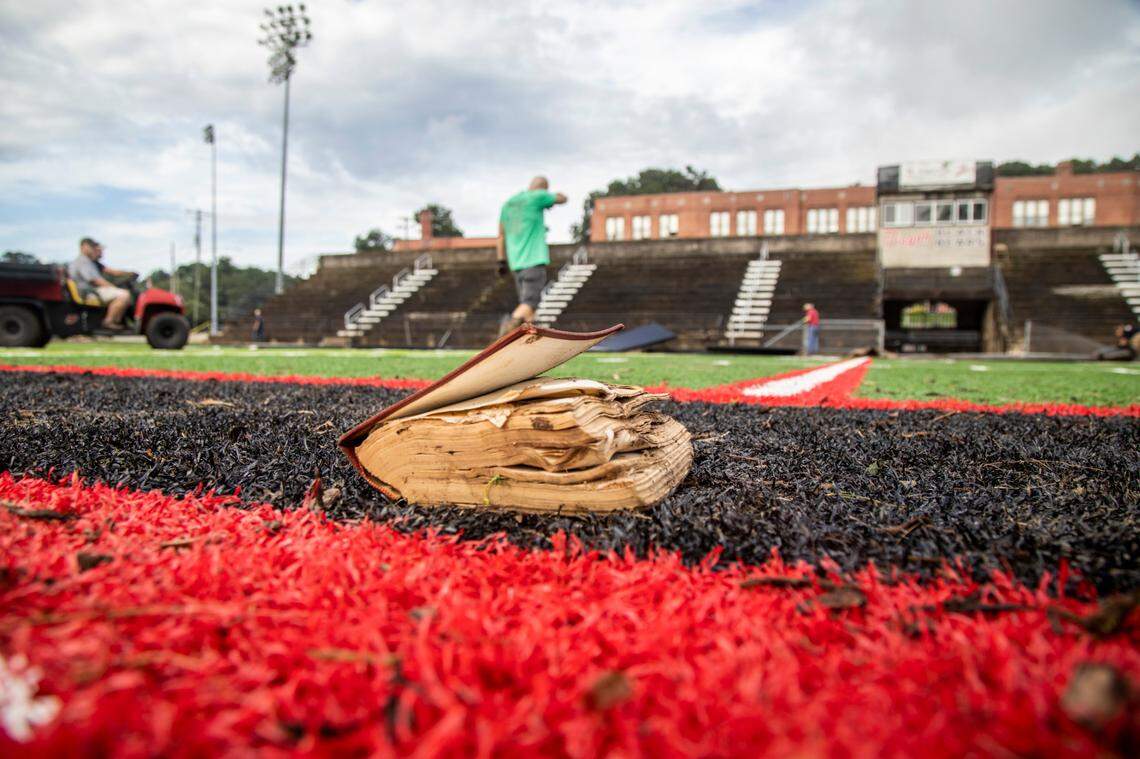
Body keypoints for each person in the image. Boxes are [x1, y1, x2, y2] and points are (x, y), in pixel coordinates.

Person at [496, 176, 567, 335]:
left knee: (529, 310)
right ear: (543, 188)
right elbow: (562, 199)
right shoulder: (537, 196)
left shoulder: (508, 204)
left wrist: (501, 261)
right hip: (533, 261)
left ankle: (529, 345)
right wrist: (554, 199)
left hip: (516, 265)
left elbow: (500, 236)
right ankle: (504, 334)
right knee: (529, 303)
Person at [68, 238, 136, 331]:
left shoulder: (91, 262)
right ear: (83, 247)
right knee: (124, 295)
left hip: (93, 291)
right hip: (88, 293)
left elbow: (112, 271)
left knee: (120, 292)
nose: (93, 249)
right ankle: (109, 322)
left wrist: (129, 273)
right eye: (91, 246)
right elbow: (95, 281)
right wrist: (113, 288)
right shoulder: (83, 261)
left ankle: (120, 322)